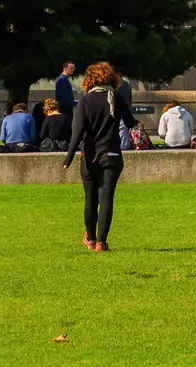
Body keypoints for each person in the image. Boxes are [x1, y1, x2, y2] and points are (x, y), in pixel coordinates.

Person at [63, 61, 134, 253]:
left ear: (89, 81)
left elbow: (77, 132)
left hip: (90, 156)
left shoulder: (85, 101)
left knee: (90, 198)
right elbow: (130, 122)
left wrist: (68, 159)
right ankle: (102, 242)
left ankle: (91, 238)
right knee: (107, 198)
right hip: (112, 154)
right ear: (111, 79)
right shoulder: (116, 99)